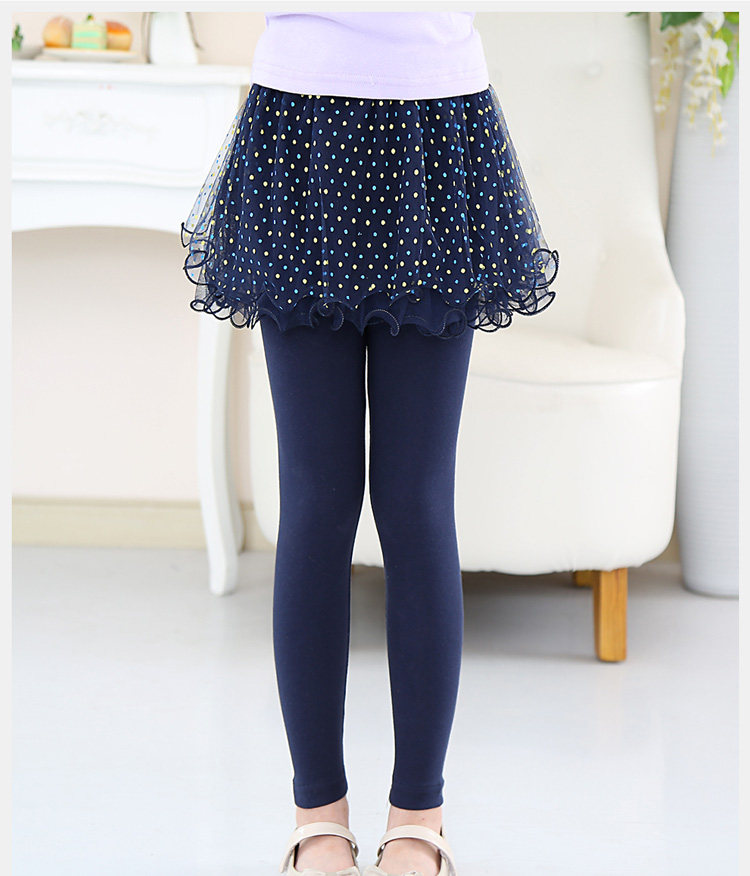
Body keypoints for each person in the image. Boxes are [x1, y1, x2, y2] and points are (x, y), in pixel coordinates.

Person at [181, 12, 559, 876]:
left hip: (437, 126)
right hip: (300, 126)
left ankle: (419, 821)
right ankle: (317, 821)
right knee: (317, 502)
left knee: (416, 501)